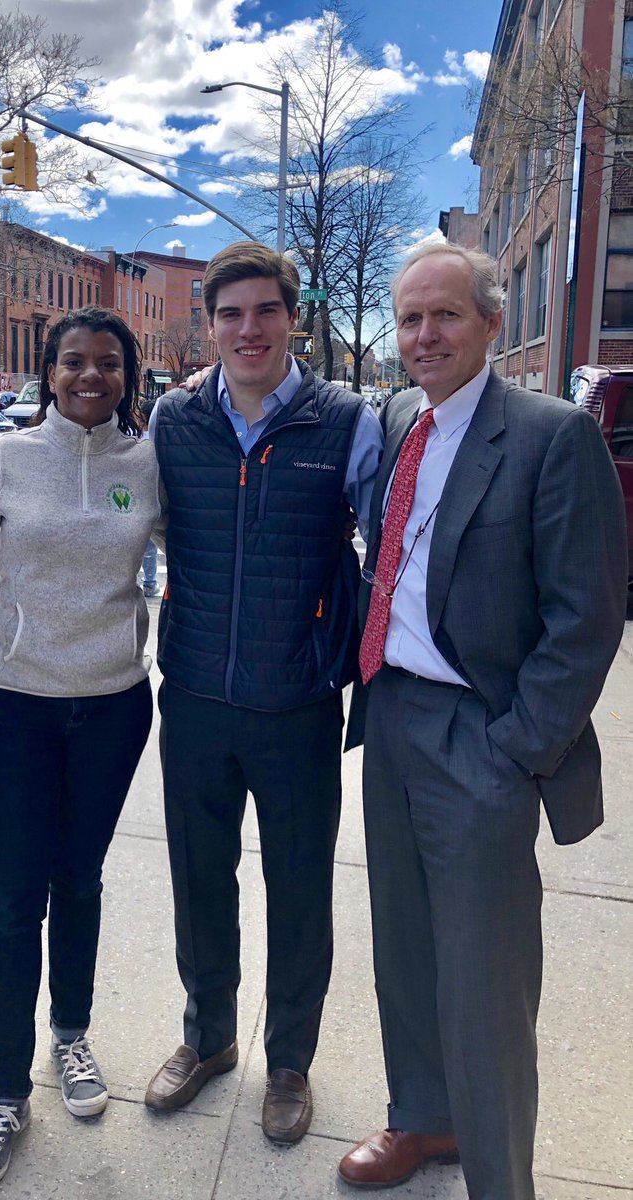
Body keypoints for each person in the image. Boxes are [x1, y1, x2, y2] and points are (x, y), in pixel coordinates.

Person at [338, 244, 627, 1198]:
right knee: (406, 949)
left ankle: (501, 1178)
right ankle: (423, 1120)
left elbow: (585, 615)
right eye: (409, 318)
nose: (423, 336)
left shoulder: (549, 436)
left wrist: (515, 751)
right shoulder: (394, 418)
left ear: (492, 324)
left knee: (485, 979)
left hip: (481, 734)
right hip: (391, 718)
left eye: (445, 316)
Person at [145, 241, 383, 1144]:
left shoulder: (345, 422)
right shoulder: (173, 420)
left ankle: (289, 1061)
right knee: (198, 882)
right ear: (209, 325)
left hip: (297, 707)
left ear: (294, 318)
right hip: (198, 699)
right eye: (230, 313)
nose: (248, 329)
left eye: (265, 311)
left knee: (297, 889)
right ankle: (207, 1039)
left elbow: (399, 550)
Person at [0, 307, 162, 1189]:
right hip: (14, 708)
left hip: (111, 708)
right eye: (73, 361)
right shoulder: (4, 457)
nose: (89, 376)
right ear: (47, 370)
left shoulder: (148, 464)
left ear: (127, 376)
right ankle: (4, 1092)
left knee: (80, 879)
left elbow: (203, 555)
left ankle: (69, 1037)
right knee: (10, 900)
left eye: (107, 364)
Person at [136, 394, 161, 597]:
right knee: (150, 548)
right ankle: (150, 583)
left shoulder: (135, 440)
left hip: (136, 499)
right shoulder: (160, 440)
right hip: (154, 499)